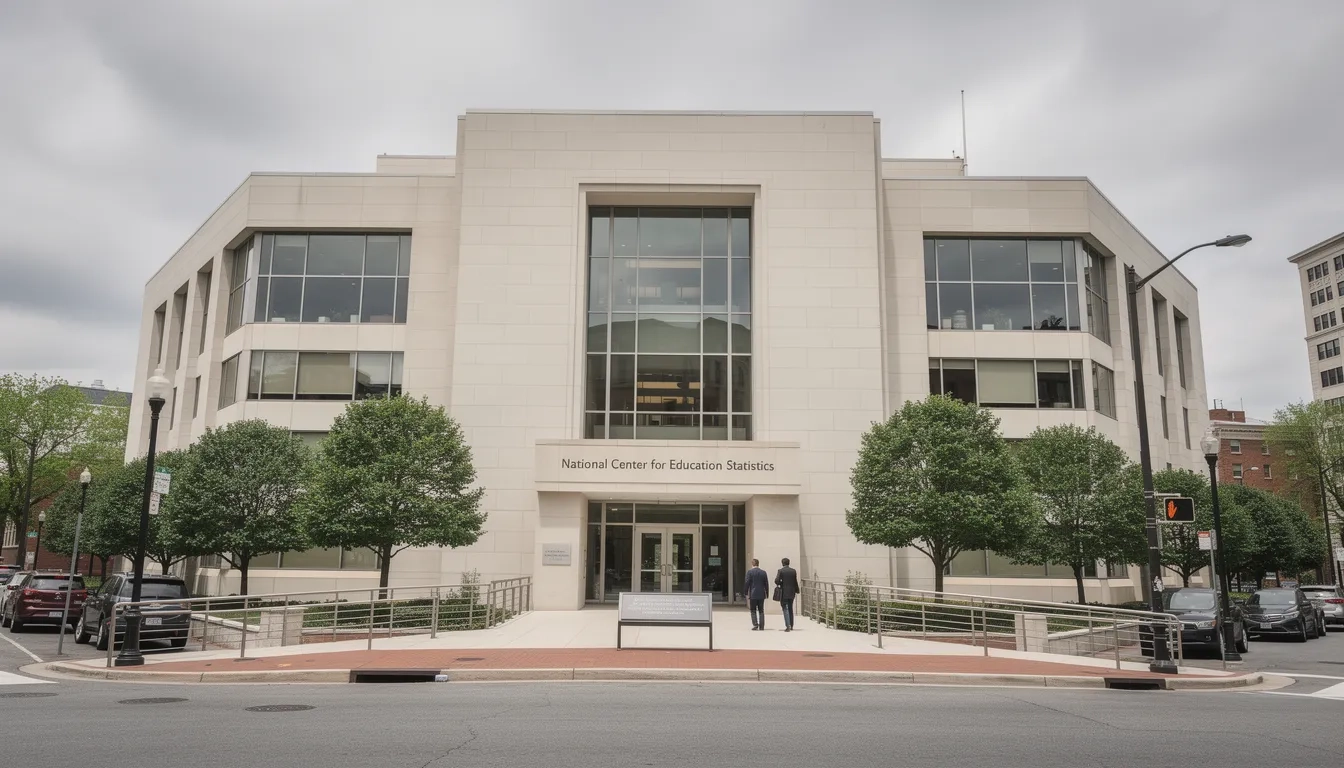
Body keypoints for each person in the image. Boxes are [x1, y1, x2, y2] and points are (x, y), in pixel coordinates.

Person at [775, 557, 800, 632]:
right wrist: (797, 590)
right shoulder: (793, 571)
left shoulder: (781, 571)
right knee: (790, 608)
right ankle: (791, 625)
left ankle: (788, 625)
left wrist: (781, 582)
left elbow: (777, 581)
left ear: (782, 563)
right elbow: (795, 581)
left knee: (785, 608)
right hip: (792, 592)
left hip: (784, 592)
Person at [744, 559, 769, 630]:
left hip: (753, 594)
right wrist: (767, 593)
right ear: (758, 564)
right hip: (761, 594)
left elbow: (747, 583)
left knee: (753, 610)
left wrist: (745, 592)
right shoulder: (763, 572)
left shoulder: (750, 572)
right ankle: (762, 626)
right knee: (761, 610)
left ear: (752, 564)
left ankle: (755, 624)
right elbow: (766, 584)